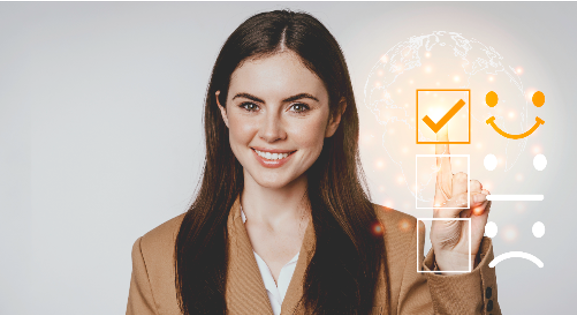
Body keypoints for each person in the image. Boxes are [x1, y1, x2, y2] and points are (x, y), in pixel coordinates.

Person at [126, 10, 500, 315]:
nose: (271, 132)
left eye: (298, 106)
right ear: (223, 109)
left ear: (335, 116)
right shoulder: (158, 254)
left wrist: (455, 265)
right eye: (250, 105)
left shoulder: (400, 245)